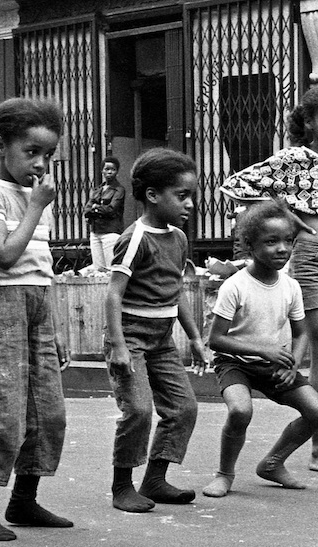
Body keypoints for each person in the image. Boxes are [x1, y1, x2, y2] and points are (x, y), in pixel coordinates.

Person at [219, 84, 318, 475]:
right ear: (308, 123)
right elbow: (235, 186)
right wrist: (286, 212)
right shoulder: (293, 159)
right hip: (310, 261)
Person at [0, 98, 72, 542]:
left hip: (38, 306)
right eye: (31, 152)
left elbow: (42, 267)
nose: (41, 164)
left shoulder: (35, 198)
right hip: (1, 306)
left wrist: (56, 326)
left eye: (48, 154)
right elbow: (6, 256)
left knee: (50, 413)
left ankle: (24, 500)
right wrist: (35, 208)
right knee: (5, 413)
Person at [104, 147, 210, 513]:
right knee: (138, 410)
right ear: (152, 195)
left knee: (183, 407)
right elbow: (113, 295)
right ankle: (122, 486)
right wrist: (119, 346)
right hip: (130, 337)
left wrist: (194, 337)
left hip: (162, 340)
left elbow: (175, 292)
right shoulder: (135, 238)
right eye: (181, 196)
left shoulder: (178, 238)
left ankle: (155, 479)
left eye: (191, 195)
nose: (189, 204)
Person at [201, 200, 318, 498]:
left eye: (288, 241)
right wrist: (263, 351)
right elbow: (215, 340)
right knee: (240, 411)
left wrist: (293, 364)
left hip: (274, 363)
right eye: (271, 242)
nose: (282, 249)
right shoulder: (235, 286)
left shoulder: (291, 287)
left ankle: (273, 463)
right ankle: (224, 474)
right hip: (234, 363)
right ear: (250, 245)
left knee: (317, 410)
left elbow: (302, 333)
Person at [84, 155, 126, 270]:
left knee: (111, 268)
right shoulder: (98, 190)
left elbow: (111, 210)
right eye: (107, 169)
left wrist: (95, 207)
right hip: (95, 232)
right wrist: (98, 208)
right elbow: (86, 210)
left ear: (117, 172)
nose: (109, 172)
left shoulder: (119, 190)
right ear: (102, 171)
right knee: (98, 269)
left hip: (110, 232)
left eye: (113, 169)